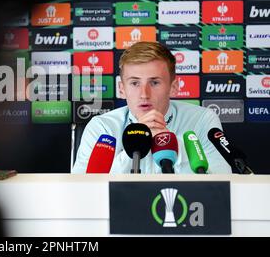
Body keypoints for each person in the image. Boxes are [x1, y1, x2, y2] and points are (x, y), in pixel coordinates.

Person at [72, 42, 232, 174]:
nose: (144, 94)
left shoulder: (202, 120)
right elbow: (83, 186)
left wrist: (170, 141)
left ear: (173, 87)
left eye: (154, 82)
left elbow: (221, 180)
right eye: (135, 83)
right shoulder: (102, 127)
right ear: (122, 89)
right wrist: (135, 144)